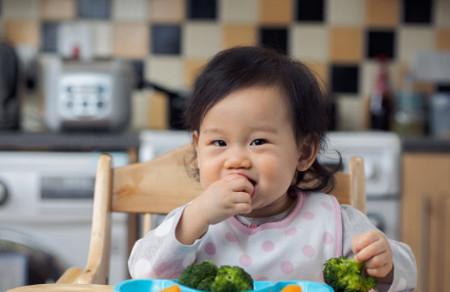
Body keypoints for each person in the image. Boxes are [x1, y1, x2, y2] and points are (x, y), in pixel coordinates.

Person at [128, 46, 416, 291]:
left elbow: (407, 277)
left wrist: (386, 265)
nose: (236, 159)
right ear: (197, 148)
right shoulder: (193, 223)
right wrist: (196, 217)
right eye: (219, 142)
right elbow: (143, 272)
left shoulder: (333, 222)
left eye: (258, 141)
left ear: (303, 152)